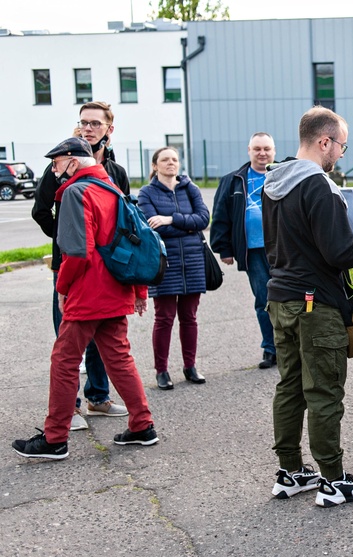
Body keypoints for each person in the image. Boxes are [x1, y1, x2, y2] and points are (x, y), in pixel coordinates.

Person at [262, 107, 353, 507]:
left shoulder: (273, 182)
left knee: (290, 387)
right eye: (341, 145)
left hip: (281, 298)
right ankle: (334, 481)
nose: (342, 154)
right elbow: (340, 252)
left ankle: (291, 472)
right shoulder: (320, 186)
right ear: (324, 141)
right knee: (324, 392)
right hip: (316, 305)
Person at [13, 137, 158, 459]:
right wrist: (137, 290)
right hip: (117, 287)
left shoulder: (77, 192)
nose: (54, 170)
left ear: (73, 161)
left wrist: (62, 288)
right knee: (119, 358)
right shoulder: (112, 189)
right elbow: (131, 241)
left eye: (56, 164)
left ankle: (54, 439)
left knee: (64, 361)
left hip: (89, 292)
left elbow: (77, 253)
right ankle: (142, 425)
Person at [31, 101, 131, 431]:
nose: (88, 128)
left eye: (95, 124)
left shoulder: (115, 172)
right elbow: (40, 210)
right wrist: (65, 239)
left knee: (105, 338)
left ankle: (98, 397)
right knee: (68, 338)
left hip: (107, 270)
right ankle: (70, 407)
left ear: (109, 130)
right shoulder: (61, 168)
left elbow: (125, 221)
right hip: (70, 265)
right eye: (83, 123)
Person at [138, 147, 210, 390]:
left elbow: (203, 220)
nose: (171, 163)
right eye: (165, 160)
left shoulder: (191, 188)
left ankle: (190, 366)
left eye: (174, 159)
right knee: (164, 318)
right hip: (164, 263)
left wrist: (171, 219)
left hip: (193, 261)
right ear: (155, 165)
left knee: (190, 318)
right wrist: (186, 225)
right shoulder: (146, 193)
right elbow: (152, 227)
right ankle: (162, 371)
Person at [211, 133, 278, 369]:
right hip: (253, 251)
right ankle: (271, 349)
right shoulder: (233, 180)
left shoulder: (282, 176)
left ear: (274, 151)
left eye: (267, 149)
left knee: (289, 299)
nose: (262, 153)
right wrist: (224, 248)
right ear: (248, 150)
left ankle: (290, 347)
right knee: (263, 301)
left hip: (284, 250)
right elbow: (220, 216)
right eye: (257, 148)